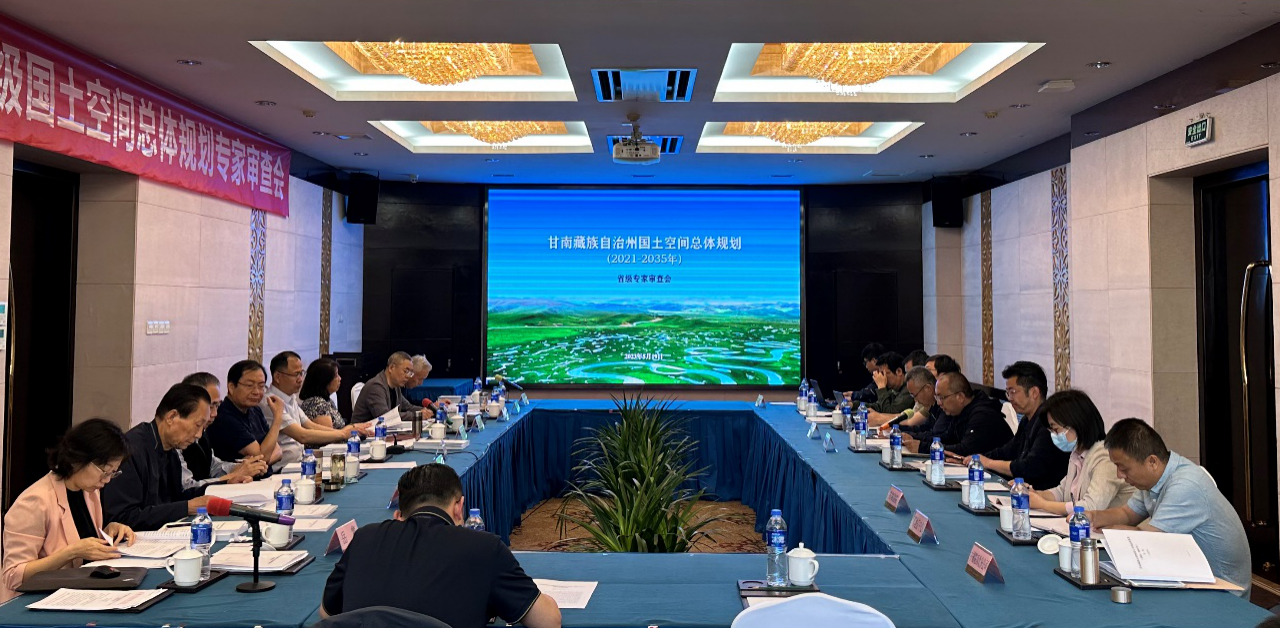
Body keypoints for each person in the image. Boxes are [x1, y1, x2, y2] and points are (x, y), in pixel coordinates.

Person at [320, 464, 561, 627]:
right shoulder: (484, 548)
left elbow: (327, 614)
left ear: (399, 513)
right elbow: (548, 621)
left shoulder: (364, 537)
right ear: (459, 507)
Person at [1087, 418, 1251, 596]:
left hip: (1223, 590)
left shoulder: (1186, 485)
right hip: (1189, 574)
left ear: (1152, 462)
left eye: (1124, 469)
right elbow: (1126, 514)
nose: (1120, 475)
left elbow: (1149, 542)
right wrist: (1092, 517)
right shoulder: (1152, 480)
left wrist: (1116, 531)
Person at [2, 419, 136, 602]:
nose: (107, 480)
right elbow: (13, 576)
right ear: (77, 460)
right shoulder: (35, 501)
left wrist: (107, 531)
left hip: (77, 591)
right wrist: (71, 552)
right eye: (104, 471)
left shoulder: (89, 491)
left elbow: (80, 539)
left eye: (113, 473)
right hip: (35, 600)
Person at [102, 384, 214, 531]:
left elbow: (176, 498)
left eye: (203, 428)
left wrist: (222, 486)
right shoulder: (131, 450)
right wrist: (186, 508)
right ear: (171, 417)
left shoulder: (170, 450)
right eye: (198, 425)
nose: (199, 435)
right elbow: (123, 517)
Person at [1028, 390, 1134, 515]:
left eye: (1056, 430)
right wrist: (1035, 494)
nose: (1054, 435)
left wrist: (1042, 504)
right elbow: (1062, 492)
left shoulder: (1105, 457)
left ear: (1076, 423)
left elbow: (1091, 506)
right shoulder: (1077, 453)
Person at [975, 362, 1068, 489]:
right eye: (1008, 393)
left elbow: (1031, 467)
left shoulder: (1049, 423)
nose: (1009, 398)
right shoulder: (1026, 420)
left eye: (1013, 392)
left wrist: (989, 463)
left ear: (1034, 392)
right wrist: (976, 459)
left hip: (1043, 494)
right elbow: (1007, 451)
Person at [262, 352, 361, 464]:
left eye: (301, 373)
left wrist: (345, 431)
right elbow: (302, 435)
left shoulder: (290, 398)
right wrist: (343, 434)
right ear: (277, 377)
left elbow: (310, 425)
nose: (300, 379)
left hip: (300, 461)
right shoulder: (271, 402)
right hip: (283, 467)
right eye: (296, 374)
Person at [178, 373, 268, 491]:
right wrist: (230, 477)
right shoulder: (176, 439)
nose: (215, 414)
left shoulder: (203, 432)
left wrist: (246, 467)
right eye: (210, 406)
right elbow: (186, 487)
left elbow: (213, 465)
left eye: (217, 406)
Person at [902, 372, 1011, 456]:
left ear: (960, 397)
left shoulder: (983, 415)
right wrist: (913, 438)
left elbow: (965, 450)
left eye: (942, 398)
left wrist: (922, 447)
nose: (939, 403)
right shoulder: (960, 411)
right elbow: (946, 438)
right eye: (937, 397)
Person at [206, 360, 286, 467]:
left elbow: (277, 450)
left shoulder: (255, 410)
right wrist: (278, 417)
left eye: (261, 386)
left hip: (264, 474)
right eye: (249, 385)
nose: (256, 392)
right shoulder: (224, 417)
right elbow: (263, 455)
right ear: (231, 387)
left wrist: (261, 461)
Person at [351, 352, 436, 425]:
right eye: (406, 371)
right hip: (362, 436)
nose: (408, 376)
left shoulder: (396, 387)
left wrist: (426, 411)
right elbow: (385, 416)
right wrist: (418, 415)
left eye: (410, 373)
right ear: (391, 368)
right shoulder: (375, 386)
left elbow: (408, 407)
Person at [301, 358, 369, 432]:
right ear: (325, 380)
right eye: (336, 376)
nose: (340, 378)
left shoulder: (327, 400)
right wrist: (353, 428)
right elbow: (329, 435)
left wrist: (356, 427)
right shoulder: (316, 404)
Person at [889, 367, 944, 438]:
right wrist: (896, 429)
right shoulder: (932, 406)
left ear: (928, 388)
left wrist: (906, 435)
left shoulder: (943, 406)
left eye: (915, 395)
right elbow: (924, 428)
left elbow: (935, 434)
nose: (915, 400)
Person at [863, 352, 915, 423]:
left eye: (884, 373)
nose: (883, 377)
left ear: (899, 371)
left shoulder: (909, 390)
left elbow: (888, 413)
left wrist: (881, 387)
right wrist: (854, 405)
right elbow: (879, 406)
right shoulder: (894, 389)